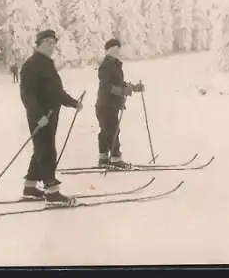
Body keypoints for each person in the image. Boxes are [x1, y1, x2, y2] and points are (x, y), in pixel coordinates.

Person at [19, 29, 83, 205]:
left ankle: (30, 188)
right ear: (38, 44)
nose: (51, 45)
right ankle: (52, 192)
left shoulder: (47, 64)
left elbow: (56, 92)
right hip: (40, 117)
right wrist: (38, 116)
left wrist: (73, 103)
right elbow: (28, 95)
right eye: (47, 41)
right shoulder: (31, 65)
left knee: (41, 149)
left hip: (50, 116)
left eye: (54, 42)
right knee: (47, 151)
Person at [95, 39, 144, 168]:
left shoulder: (115, 66)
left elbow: (119, 83)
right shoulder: (106, 66)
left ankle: (103, 158)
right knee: (112, 130)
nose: (117, 51)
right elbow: (107, 86)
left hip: (109, 105)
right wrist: (122, 91)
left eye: (118, 48)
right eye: (114, 48)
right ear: (108, 51)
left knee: (106, 131)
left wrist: (134, 87)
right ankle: (116, 159)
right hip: (106, 105)